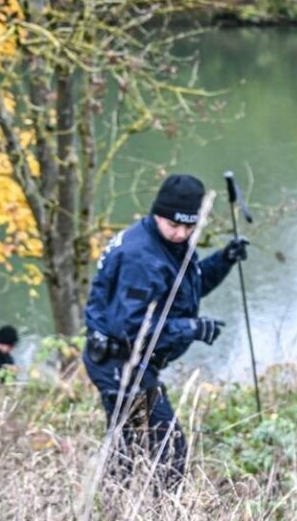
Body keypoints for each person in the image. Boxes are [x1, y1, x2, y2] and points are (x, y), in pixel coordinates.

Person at [83, 173, 247, 482]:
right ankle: (160, 520)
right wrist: (191, 328)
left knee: (129, 442)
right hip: (118, 362)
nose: (181, 233)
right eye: (174, 225)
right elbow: (131, 327)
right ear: (157, 213)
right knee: (169, 445)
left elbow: (182, 293)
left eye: (189, 227)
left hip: (134, 361)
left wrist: (223, 260)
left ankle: (119, 511)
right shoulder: (140, 258)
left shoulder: (165, 244)